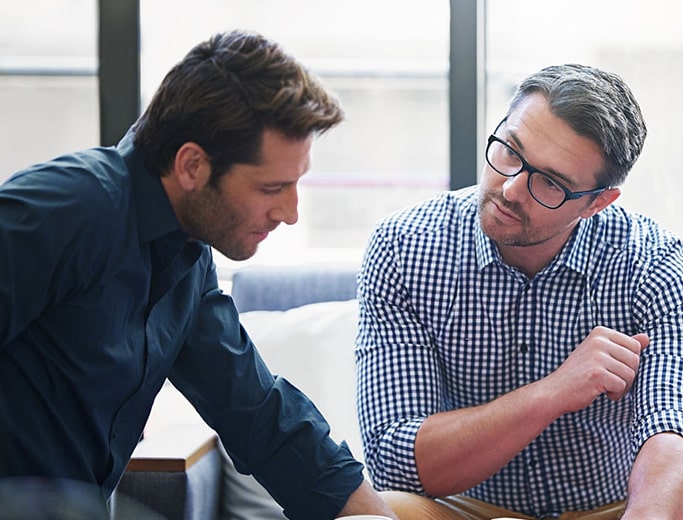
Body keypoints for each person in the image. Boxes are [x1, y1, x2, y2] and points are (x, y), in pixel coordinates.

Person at [355, 64, 683, 519]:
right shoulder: (404, 246)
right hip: (467, 509)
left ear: (597, 202)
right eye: (510, 150)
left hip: (614, 508)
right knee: (382, 513)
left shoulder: (655, 262)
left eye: (550, 182)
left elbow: (674, 433)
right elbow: (394, 460)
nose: (511, 189)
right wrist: (555, 391)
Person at [0, 30, 397, 520]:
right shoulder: (65, 209)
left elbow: (257, 412)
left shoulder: (187, 256)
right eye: (272, 188)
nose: (291, 213)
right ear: (192, 165)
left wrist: (373, 516)